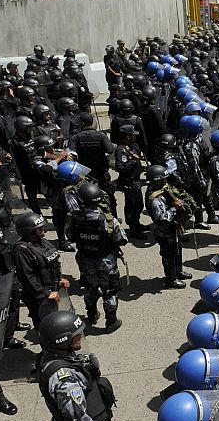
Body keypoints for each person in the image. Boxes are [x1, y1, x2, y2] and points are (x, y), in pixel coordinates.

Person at [69, 183, 127, 332]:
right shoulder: (108, 220)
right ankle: (111, 322)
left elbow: (69, 236)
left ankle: (92, 315)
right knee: (110, 292)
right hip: (106, 262)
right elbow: (121, 239)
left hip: (85, 260)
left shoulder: (75, 218)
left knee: (90, 288)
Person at [13, 212, 69, 328]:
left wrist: (60, 278)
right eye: (39, 229)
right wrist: (45, 294)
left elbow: (53, 263)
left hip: (52, 290)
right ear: (29, 231)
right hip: (39, 297)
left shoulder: (42, 242)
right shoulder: (21, 250)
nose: (44, 231)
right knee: (46, 327)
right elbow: (27, 277)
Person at [144, 165, 193, 289]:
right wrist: (174, 208)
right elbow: (162, 218)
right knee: (169, 255)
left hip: (173, 228)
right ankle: (171, 279)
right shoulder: (155, 199)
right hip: (164, 230)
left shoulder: (162, 190)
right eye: (163, 179)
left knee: (177, 249)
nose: (166, 181)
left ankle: (178, 271)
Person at [113, 124, 149, 238]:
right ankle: (133, 229)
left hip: (136, 181)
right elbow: (121, 168)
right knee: (131, 206)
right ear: (127, 136)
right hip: (129, 182)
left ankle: (137, 224)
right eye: (133, 135)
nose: (135, 137)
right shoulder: (121, 150)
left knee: (139, 205)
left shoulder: (134, 147)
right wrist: (133, 161)